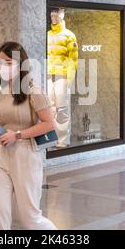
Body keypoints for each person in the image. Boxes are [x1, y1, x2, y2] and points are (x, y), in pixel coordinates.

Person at [0, 41, 57, 230]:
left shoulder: (34, 91)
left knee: (30, 218)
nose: (3, 66)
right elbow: (2, 122)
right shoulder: (2, 92)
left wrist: (18, 135)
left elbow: (49, 124)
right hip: (0, 156)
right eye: (1, 62)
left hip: (25, 155)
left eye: (9, 62)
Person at [47, 8, 78, 147]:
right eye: (52, 14)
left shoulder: (69, 35)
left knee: (62, 107)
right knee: (50, 107)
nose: (53, 17)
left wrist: (70, 78)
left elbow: (73, 59)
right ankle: (51, 138)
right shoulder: (47, 34)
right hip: (48, 73)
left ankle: (63, 139)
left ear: (62, 15)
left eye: (56, 14)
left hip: (62, 75)